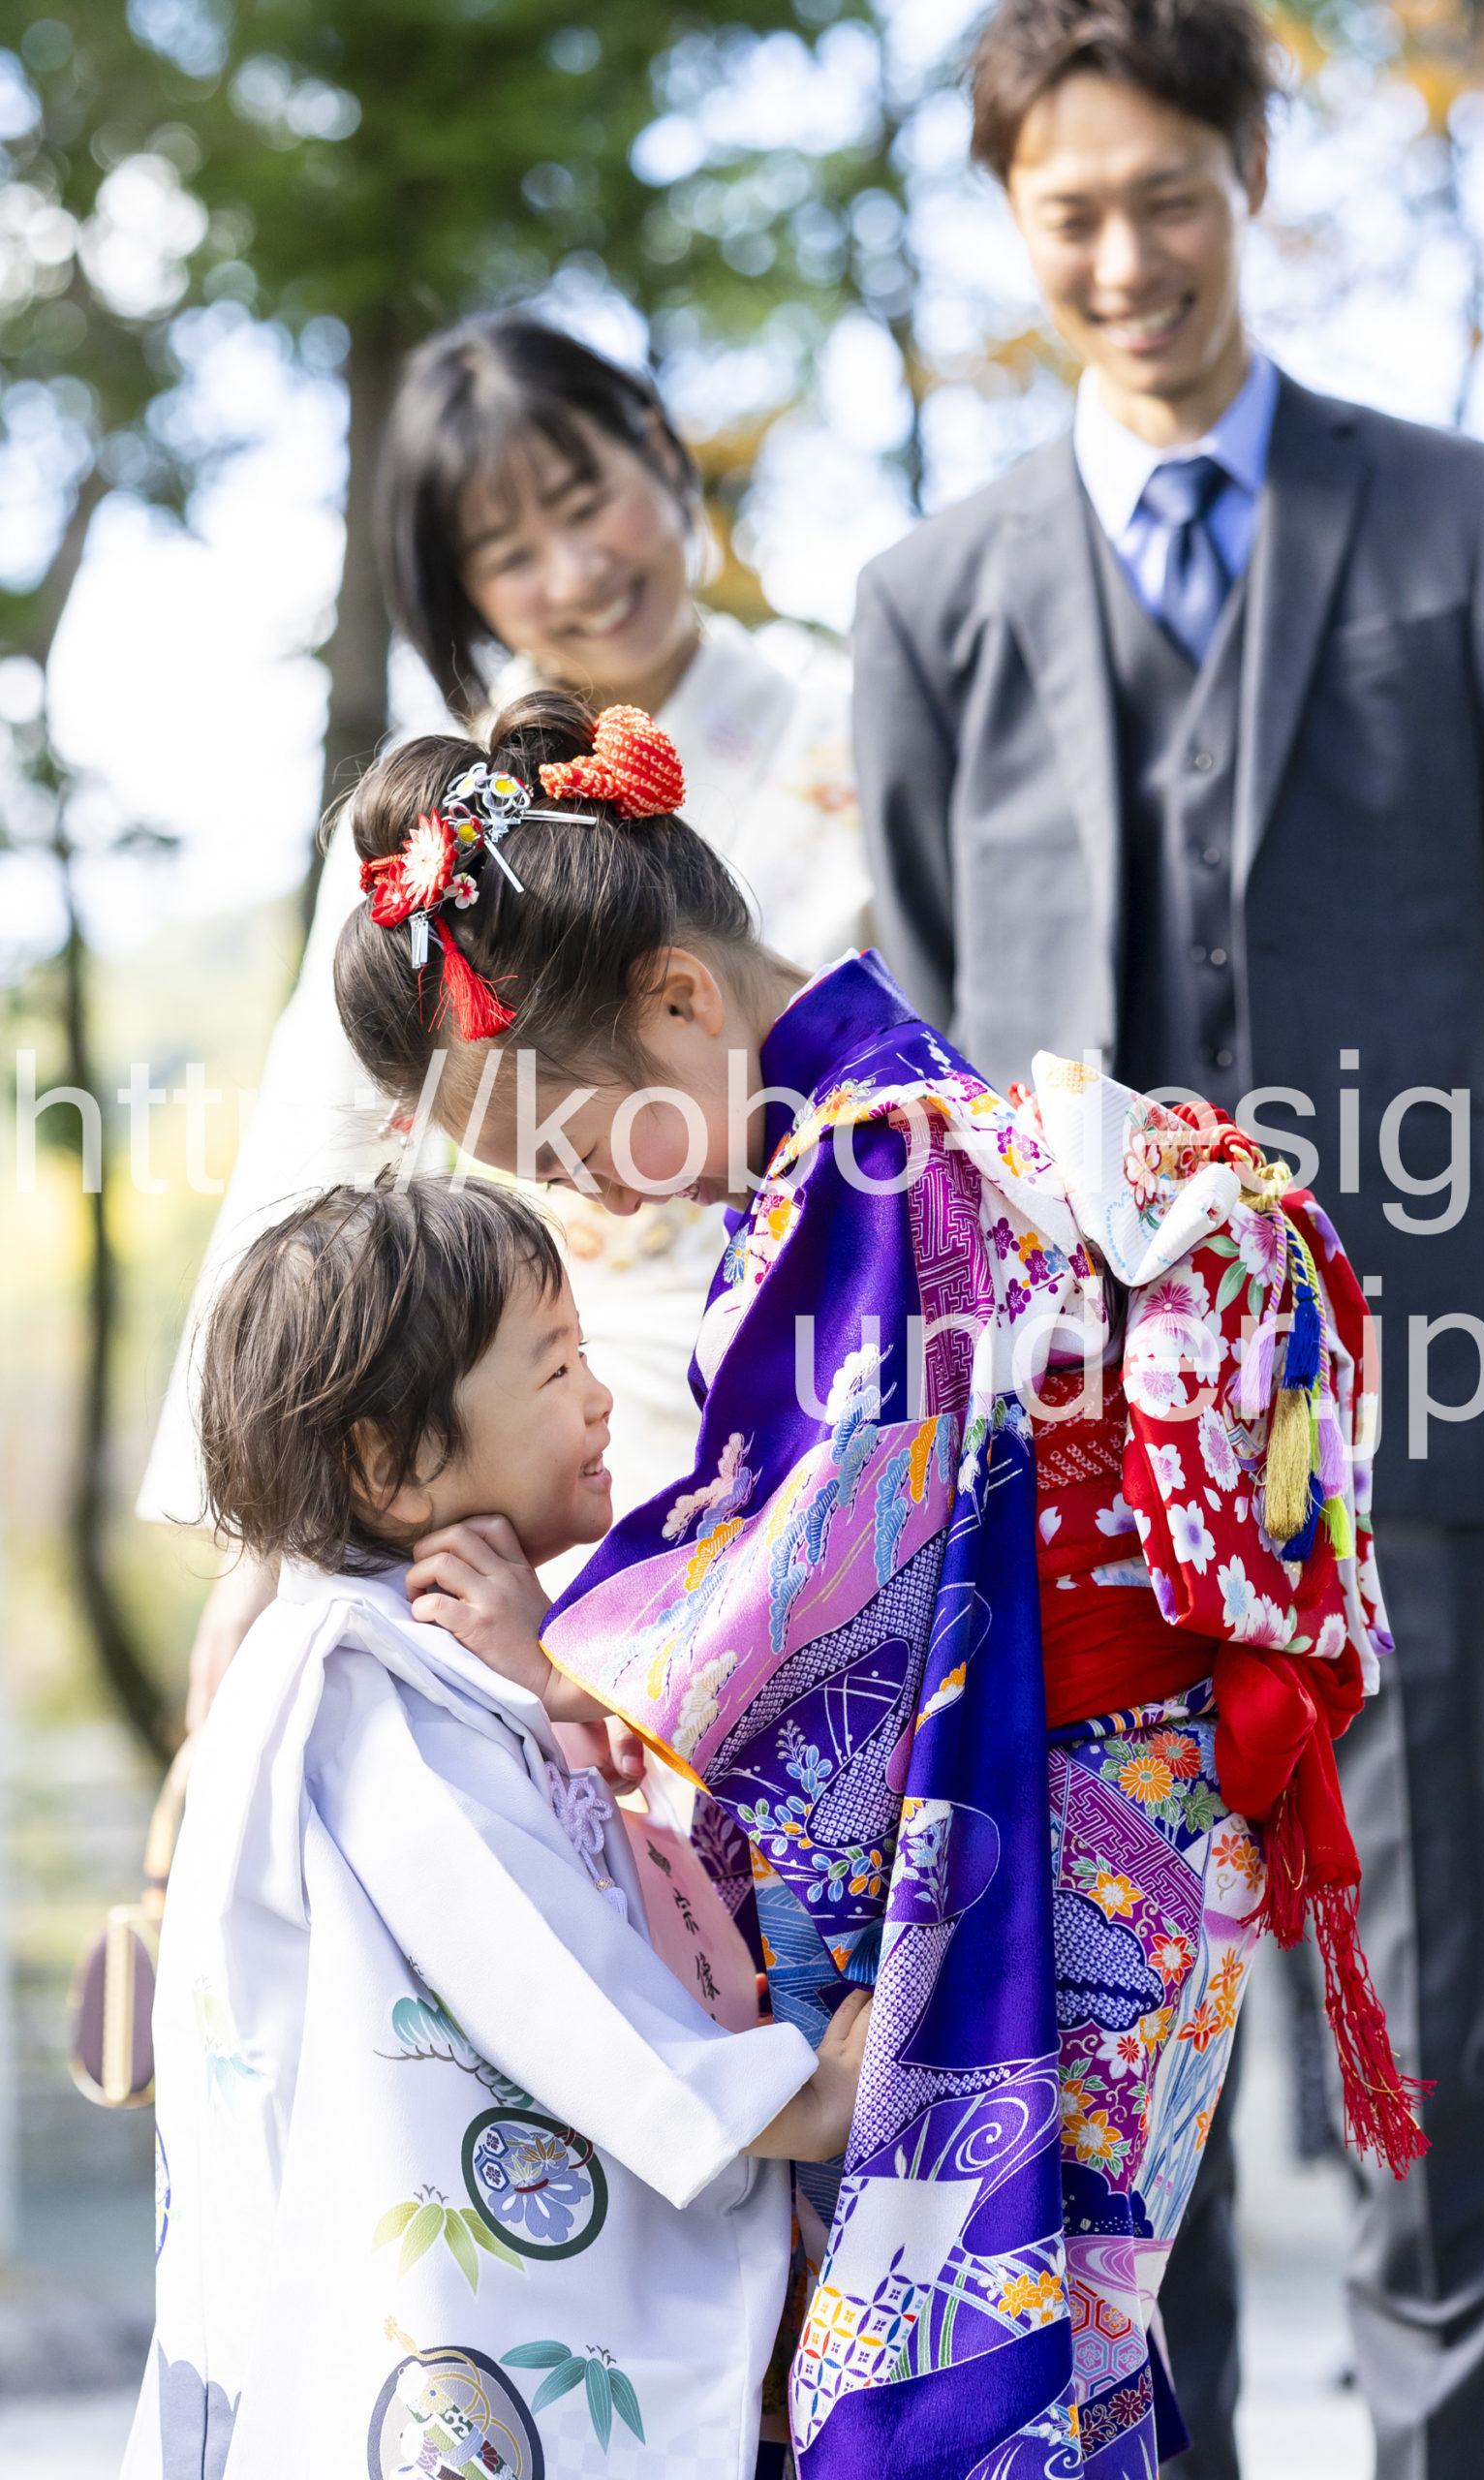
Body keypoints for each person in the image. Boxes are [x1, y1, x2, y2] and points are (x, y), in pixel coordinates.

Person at [328, 688, 1415, 2475]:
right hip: (1086, 1798)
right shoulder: (871, 1135)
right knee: (1041, 2345)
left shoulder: (874, 1162)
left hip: (1061, 1817)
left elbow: (815, 1573)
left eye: (570, 1145)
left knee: (970, 2369)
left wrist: (562, 1667)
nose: (586, 1200)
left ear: (681, 1000)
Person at [849, 0, 1484, 2471]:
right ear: (1011, 224)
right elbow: (929, 1062)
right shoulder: (931, 596)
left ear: (1248, 177)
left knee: (1429, 2037)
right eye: (1068, 214)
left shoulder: (1464, 524)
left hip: (1403, 1429)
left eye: (1165, 197)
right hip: (1082, 1468)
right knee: (1124, 2063)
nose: (1125, 259)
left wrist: (1457, 1311)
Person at [139, 314, 869, 1718]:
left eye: (586, 500)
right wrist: (262, 1541)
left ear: (659, 450)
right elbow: (324, 1145)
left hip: (830, 1367)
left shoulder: (852, 722)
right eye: (510, 552)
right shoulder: (440, 829)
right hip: (535, 1422)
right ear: (460, 588)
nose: (577, 571)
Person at [123, 1170, 872, 2480]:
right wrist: (793, 2103)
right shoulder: (364, 1686)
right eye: (555, 1366)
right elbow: (535, 1960)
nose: (600, 1397)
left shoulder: (414, 1656)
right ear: (391, 1463)